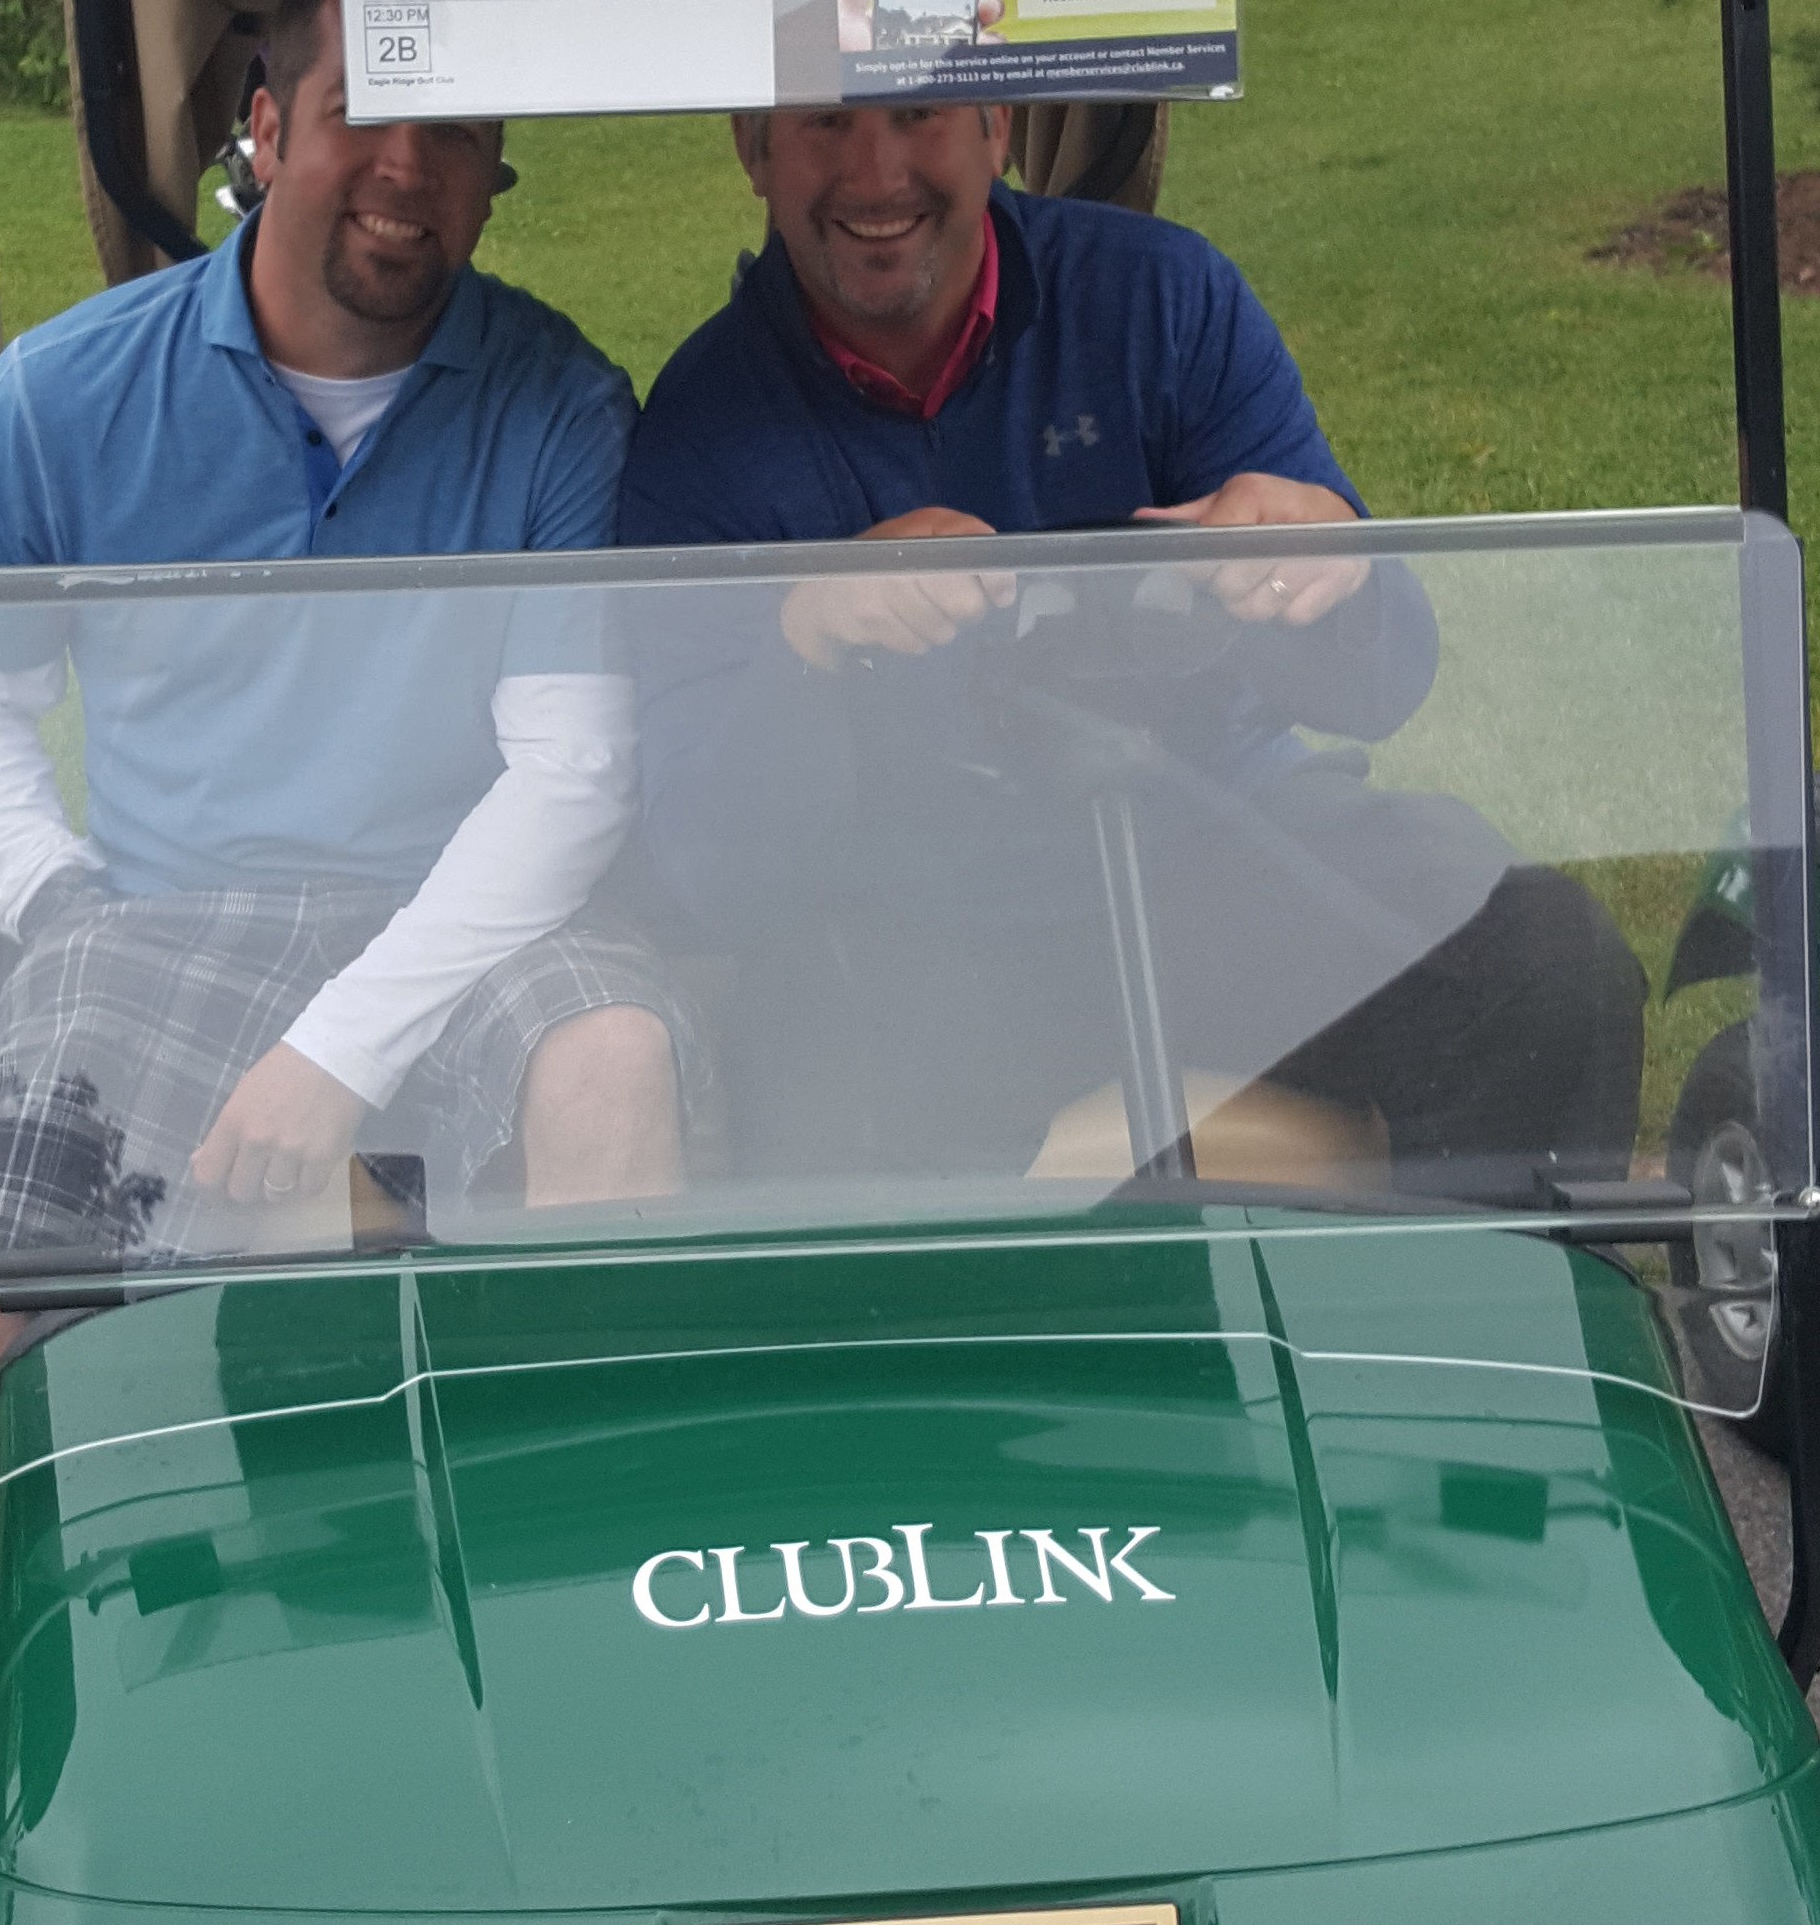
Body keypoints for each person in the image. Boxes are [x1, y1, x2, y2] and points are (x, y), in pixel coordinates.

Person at [0, 0, 683, 1925]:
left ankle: (596, 1738)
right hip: (165, 920)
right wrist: (57, 900)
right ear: (261, 124)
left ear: (499, 168)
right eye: (365, 110)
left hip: (466, 901)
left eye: (454, 129)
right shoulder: (68, 391)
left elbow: (564, 781)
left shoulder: (553, 397)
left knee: (616, 1078)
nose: (405, 169)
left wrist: (335, 1052)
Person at [616, 93, 1645, 1195]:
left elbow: (1383, 680)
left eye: (919, 114)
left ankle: (1481, 1296)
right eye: (826, 123)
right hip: (917, 919)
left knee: (1542, 960)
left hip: (1209, 842)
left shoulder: (1161, 299)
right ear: (753, 149)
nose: (876, 173)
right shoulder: (700, 433)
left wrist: (1323, 567)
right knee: (834, 1132)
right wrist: (805, 642)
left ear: (996, 126)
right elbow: (711, 871)